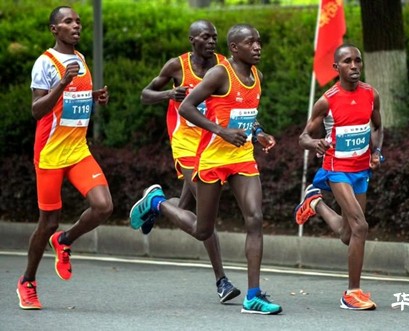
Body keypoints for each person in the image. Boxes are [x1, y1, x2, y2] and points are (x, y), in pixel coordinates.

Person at [130, 24, 281, 315]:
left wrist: (259, 132)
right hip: (209, 155)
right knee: (203, 229)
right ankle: (157, 203)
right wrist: (220, 131)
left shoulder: (257, 76)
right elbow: (186, 107)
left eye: (259, 42)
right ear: (236, 48)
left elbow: (247, 114)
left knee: (255, 218)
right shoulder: (218, 73)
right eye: (251, 42)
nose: (258, 47)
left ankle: (253, 295)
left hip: (242, 156)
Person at [137, 20, 241, 304]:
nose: (211, 41)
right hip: (185, 143)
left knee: (186, 207)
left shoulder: (225, 65)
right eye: (206, 37)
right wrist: (169, 94)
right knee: (205, 216)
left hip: (212, 144)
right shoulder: (176, 66)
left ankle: (156, 203)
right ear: (192, 40)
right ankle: (222, 281)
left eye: (215, 37)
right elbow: (145, 95)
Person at [16, 6, 112, 310]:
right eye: (68, 22)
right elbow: (37, 110)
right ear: (54, 30)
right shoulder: (45, 63)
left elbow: (71, 99)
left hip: (78, 150)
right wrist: (61, 83)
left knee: (104, 206)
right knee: (47, 222)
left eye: (78, 21)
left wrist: (93, 96)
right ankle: (27, 281)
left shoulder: (81, 59)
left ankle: (65, 240)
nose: (76, 26)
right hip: (51, 153)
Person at [295, 44, 384, 311]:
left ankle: (315, 203)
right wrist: (316, 144)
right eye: (347, 61)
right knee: (360, 226)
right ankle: (352, 293)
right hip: (337, 169)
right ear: (337, 68)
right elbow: (303, 138)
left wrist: (376, 151)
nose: (354, 66)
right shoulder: (328, 100)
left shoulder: (371, 94)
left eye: (358, 60)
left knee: (348, 234)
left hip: (360, 170)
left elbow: (378, 127)